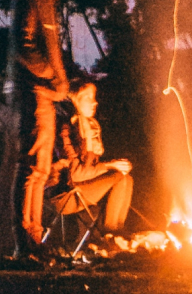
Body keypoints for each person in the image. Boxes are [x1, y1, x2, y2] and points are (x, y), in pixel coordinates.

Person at [11, 0, 78, 250]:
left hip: (48, 94)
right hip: (36, 92)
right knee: (34, 168)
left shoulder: (47, 5)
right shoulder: (33, 0)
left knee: (42, 166)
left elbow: (51, 47)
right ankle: (27, 239)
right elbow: (23, 46)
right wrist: (51, 74)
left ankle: (34, 238)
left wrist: (63, 81)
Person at [49, 82, 134, 232]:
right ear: (75, 101)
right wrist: (109, 165)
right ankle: (109, 233)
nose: (94, 102)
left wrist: (115, 165)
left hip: (82, 189)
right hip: (66, 195)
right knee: (118, 176)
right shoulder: (67, 130)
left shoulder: (89, 128)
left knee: (126, 178)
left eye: (93, 97)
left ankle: (118, 231)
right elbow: (76, 174)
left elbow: (91, 171)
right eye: (87, 97)